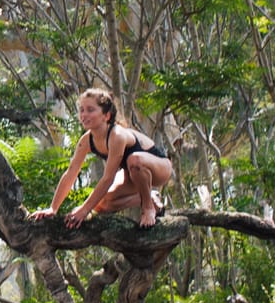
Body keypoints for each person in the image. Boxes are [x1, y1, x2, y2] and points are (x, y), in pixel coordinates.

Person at [39, 87, 175, 228]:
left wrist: (84, 210)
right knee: (102, 204)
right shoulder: (86, 141)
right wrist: (53, 209)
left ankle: (148, 208)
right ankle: (150, 198)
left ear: (107, 116)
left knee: (134, 160)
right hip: (131, 173)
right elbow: (70, 174)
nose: (84, 115)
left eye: (90, 110)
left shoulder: (117, 135)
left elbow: (108, 178)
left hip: (158, 168)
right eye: (82, 110)